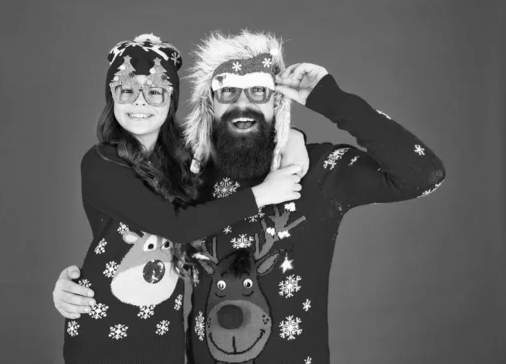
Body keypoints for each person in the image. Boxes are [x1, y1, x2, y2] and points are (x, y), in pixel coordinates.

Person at [55, 30, 446, 364]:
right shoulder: (188, 177)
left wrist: (333, 101)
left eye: (258, 91)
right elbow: (135, 227)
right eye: (228, 93)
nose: (242, 105)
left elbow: (423, 174)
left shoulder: (319, 170)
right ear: (211, 105)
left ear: (278, 102)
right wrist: (74, 286)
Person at [59, 33, 307, 364]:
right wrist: (260, 196)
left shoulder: (183, 163)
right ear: (112, 98)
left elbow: (240, 135)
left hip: (165, 336)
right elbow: (176, 226)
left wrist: (293, 136)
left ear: (170, 100)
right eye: (127, 91)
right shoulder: (102, 162)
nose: (141, 103)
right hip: (104, 334)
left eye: (155, 92)